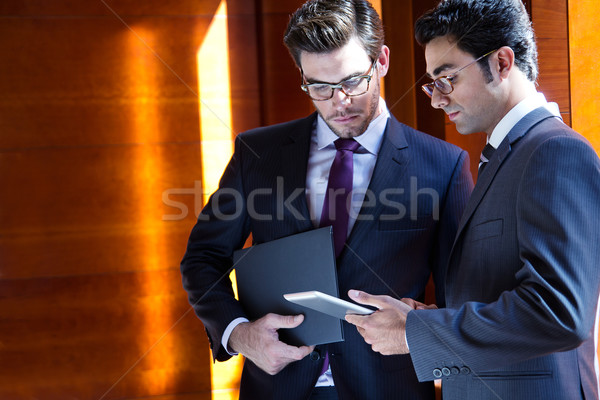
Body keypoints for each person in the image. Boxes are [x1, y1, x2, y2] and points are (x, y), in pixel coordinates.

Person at [180, 0, 473, 398]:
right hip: (277, 386)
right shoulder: (257, 153)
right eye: (319, 85)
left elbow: (463, 296)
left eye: (352, 81)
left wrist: (426, 332)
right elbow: (202, 258)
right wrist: (239, 334)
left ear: (381, 61)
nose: (340, 101)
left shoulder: (444, 165)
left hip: (388, 387)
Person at [346, 0, 600, 399]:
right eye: (433, 83)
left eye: (447, 79)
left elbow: (560, 312)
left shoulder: (555, 151)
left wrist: (416, 334)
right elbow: (504, 294)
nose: (436, 99)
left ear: (501, 62)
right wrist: (429, 318)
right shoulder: (505, 156)